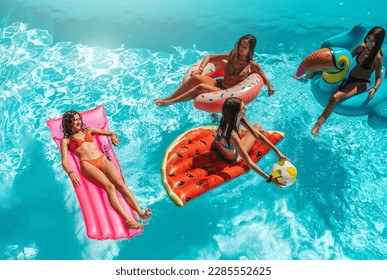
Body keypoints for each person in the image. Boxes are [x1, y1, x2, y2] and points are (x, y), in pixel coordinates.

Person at [60, 110, 151, 229]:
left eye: (78, 119)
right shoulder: (66, 141)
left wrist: (113, 137)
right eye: (74, 120)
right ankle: (128, 220)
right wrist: (71, 173)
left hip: (102, 159)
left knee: (120, 184)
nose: (78, 122)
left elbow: (111, 133)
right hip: (88, 165)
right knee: (110, 187)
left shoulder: (89, 130)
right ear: (68, 123)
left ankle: (140, 213)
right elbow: (64, 161)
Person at [154, 34, 275, 106]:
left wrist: (269, 87)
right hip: (219, 84)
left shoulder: (252, 66)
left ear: (250, 50)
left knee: (201, 87)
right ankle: (168, 98)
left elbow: (265, 80)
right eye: (240, 46)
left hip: (229, 92)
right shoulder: (231, 57)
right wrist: (200, 70)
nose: (240, 49)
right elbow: (209, 57)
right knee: (196, 78)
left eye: (244, 47)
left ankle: (172, 102)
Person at [310, 26, 385, 136]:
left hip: (360, 82)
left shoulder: (377, 58)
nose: (368, 42)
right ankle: (303, 78)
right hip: (349, 76)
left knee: (335, 98)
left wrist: (374, 88)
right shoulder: (361, 48)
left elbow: (378, 77)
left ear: (377, 42)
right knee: (322, 69)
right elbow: (347, 57)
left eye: (372, 41)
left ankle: (318, 125)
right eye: (368, 38)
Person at [213, 97, 290, 187]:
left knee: (255, 128)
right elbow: (249, 162)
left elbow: (256, 134)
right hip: (232, 158)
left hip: (216, 146)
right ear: (236, 113)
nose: (246, 109)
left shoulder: (227, 118)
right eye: (243, 108)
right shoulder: (232, 135)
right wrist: (269, 179)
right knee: (258, 126)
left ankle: (214, 117)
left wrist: (278, 152)